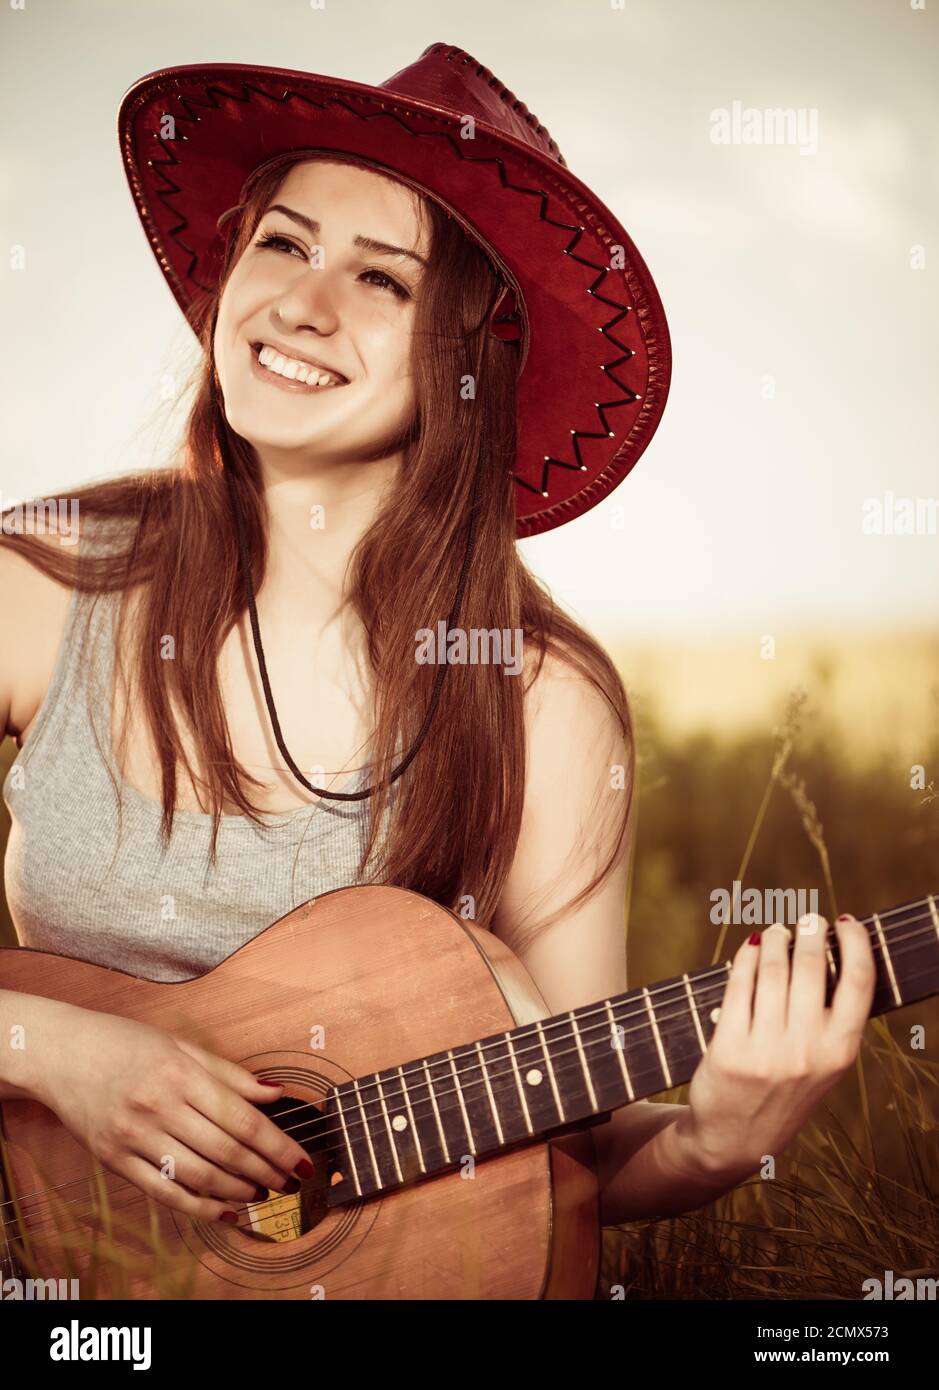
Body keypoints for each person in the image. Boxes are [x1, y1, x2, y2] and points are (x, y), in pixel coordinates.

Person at [0, 44, 875, 1242]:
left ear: (469, 359)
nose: (302, 305)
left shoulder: (542, 703)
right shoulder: (46, 582)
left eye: (384, 282)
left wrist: (708, 1142)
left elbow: (558, 1152)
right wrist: (53, 1048)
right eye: (285, 243)